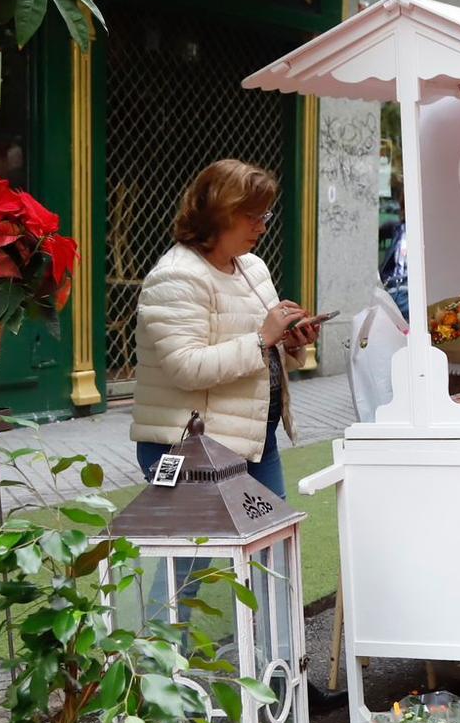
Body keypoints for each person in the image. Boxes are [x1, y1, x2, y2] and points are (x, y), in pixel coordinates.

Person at [132, 160, 321, 497]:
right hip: (189, 445)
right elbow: (186, 368)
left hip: (255, 438)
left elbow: (260, 351)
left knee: (276, 539)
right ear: (220, 214)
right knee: (194, 547)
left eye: (265, 216)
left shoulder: (252, 266)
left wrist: (290, 344)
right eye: (253, 217)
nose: (262, 227)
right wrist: (264, 338)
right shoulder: (175, 275)